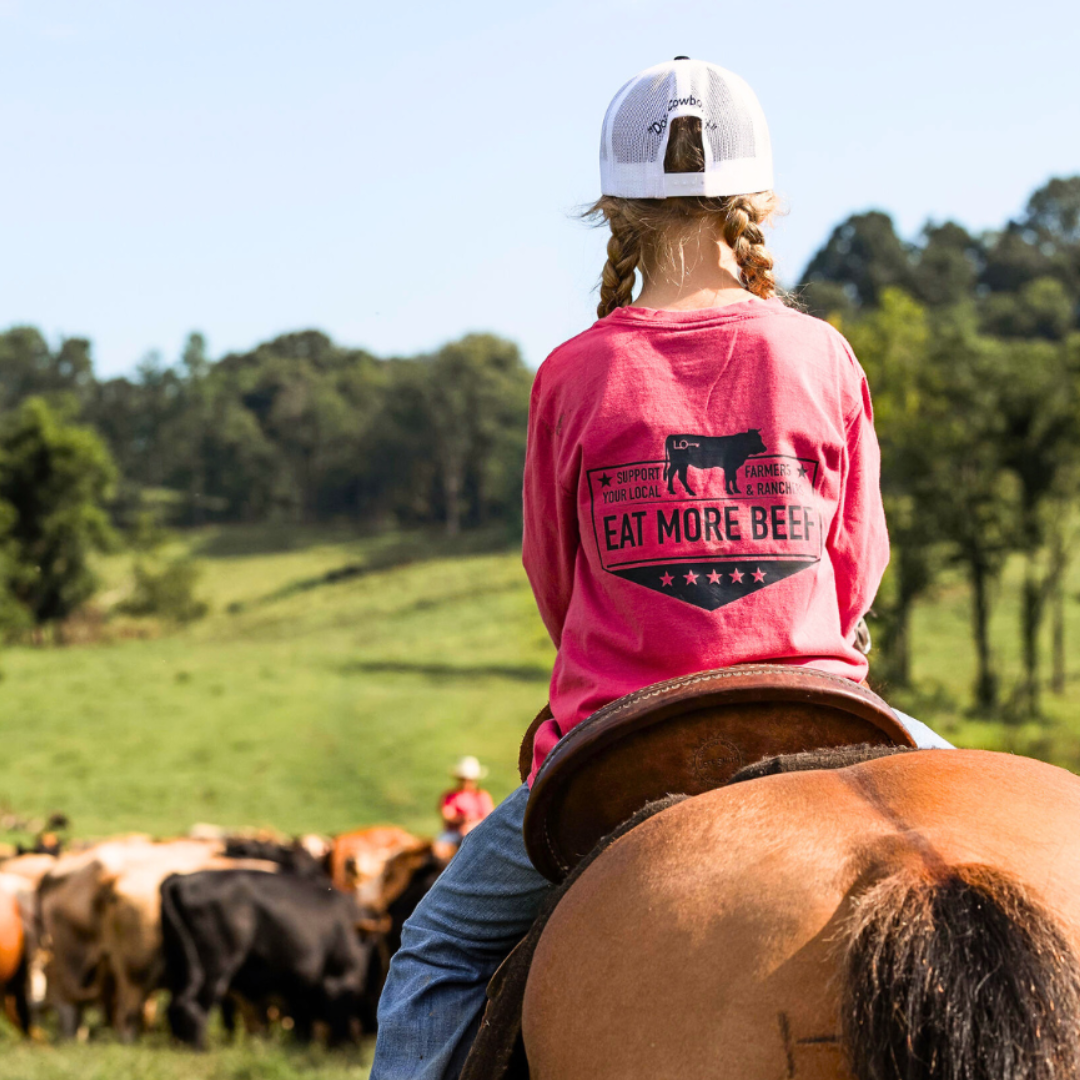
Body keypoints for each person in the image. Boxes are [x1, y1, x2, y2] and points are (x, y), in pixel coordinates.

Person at [370, 57, 951, 1080]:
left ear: (615, 209)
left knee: (439, 951)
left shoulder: (573, 370)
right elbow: (860, 566)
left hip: (625, 746)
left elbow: (553, 577)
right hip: (822, 708)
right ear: (757, 202)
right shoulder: (822, 354)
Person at [437, 757, 494, 849]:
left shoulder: (482, 796)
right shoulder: (450, 796)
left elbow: (489, 816)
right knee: (440, 848)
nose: (467, 783)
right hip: (454, 833)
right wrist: (462, 819)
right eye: (464, 779)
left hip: (477, 831)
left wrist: (473, 822)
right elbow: (447, 814)